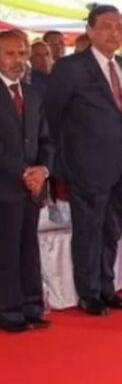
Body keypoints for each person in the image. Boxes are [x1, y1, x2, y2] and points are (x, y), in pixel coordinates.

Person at [44, 5, 122, 316]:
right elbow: (53, 115)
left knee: (113, 229)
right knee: (89, 230)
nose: (114, 32)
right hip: (86, 165)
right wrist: (65, 160)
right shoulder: (70, 68)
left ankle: (107, 287)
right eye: (107, 26)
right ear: (90, 30)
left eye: (119, 27)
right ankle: (89, 293)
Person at [0, 30, 54, 332]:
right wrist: (24, 172)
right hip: (5, 185)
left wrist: (43, 170)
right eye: (9, 53)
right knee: (6, 250)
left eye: (22, 53)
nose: (17, 60)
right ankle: (8, 311)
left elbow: (47, 139)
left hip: (32, 187)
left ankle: (32, 306)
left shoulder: (33, 95)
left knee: (29, 248)